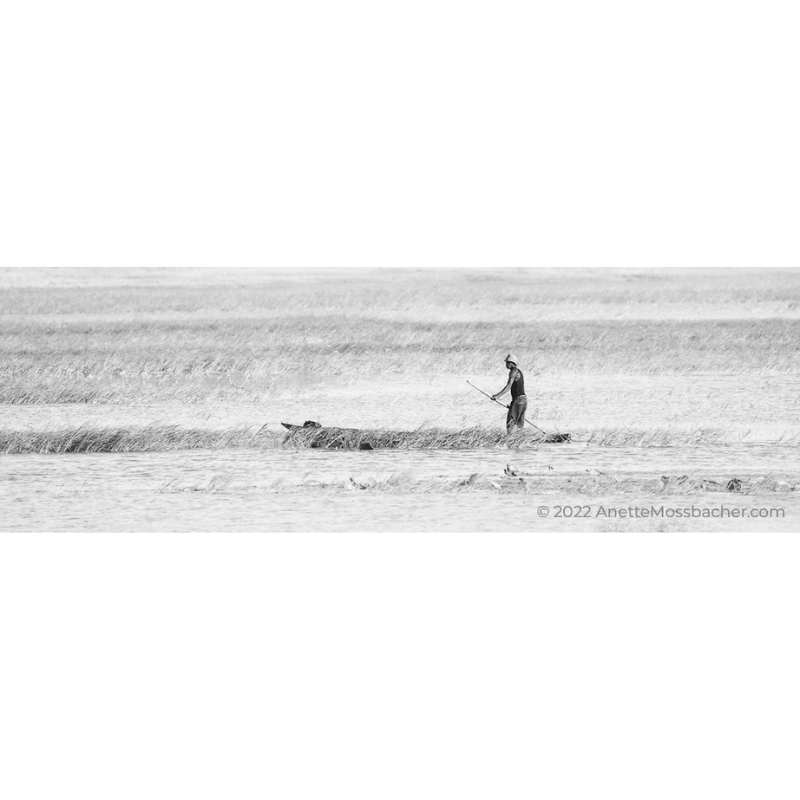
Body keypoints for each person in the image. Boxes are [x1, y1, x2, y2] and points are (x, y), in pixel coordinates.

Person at [491, 353, 527, 433]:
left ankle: (510, 439)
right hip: (524, 400)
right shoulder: (519, 371)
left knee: (511, 421)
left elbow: (508, 386)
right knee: (519, 424)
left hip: (518, 400)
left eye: (507, 362)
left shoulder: (513, 371)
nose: (506, 364)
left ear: (511, 363)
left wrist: (497, 396)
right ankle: (520, 440)